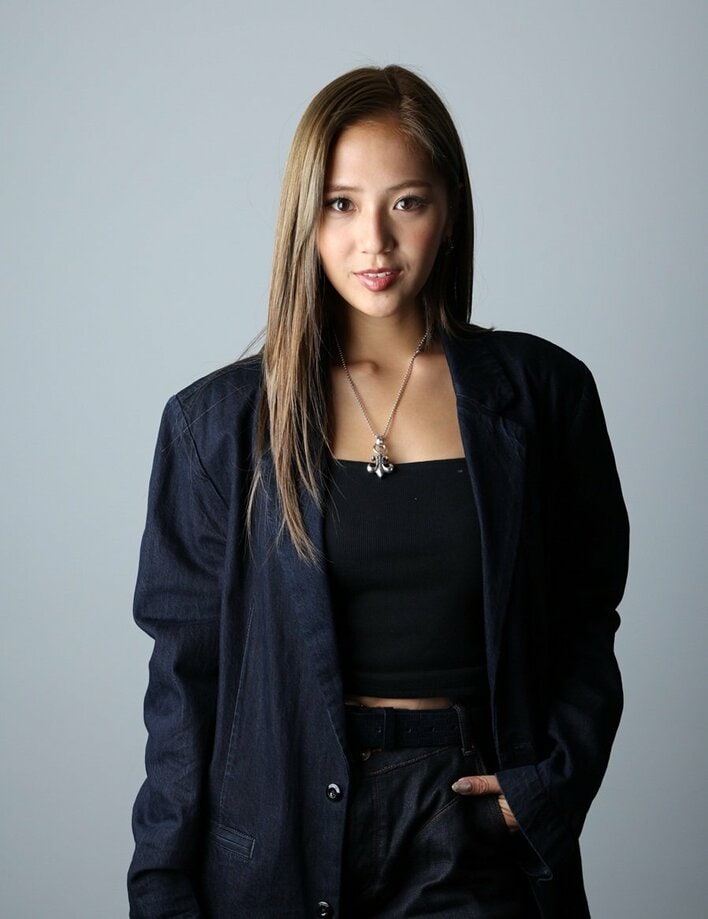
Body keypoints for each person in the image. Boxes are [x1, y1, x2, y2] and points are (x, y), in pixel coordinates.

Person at [128, 65, 629, 918]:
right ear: (306, 216)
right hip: (281, 829)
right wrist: (162, 886)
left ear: (449, 210)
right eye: (341, 203)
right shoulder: (214, 425)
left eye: (407, 202)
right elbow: (185, 683)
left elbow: (588, 616)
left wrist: (544, 788)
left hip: (468, 825)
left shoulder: (543, 395)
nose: (375, 242)